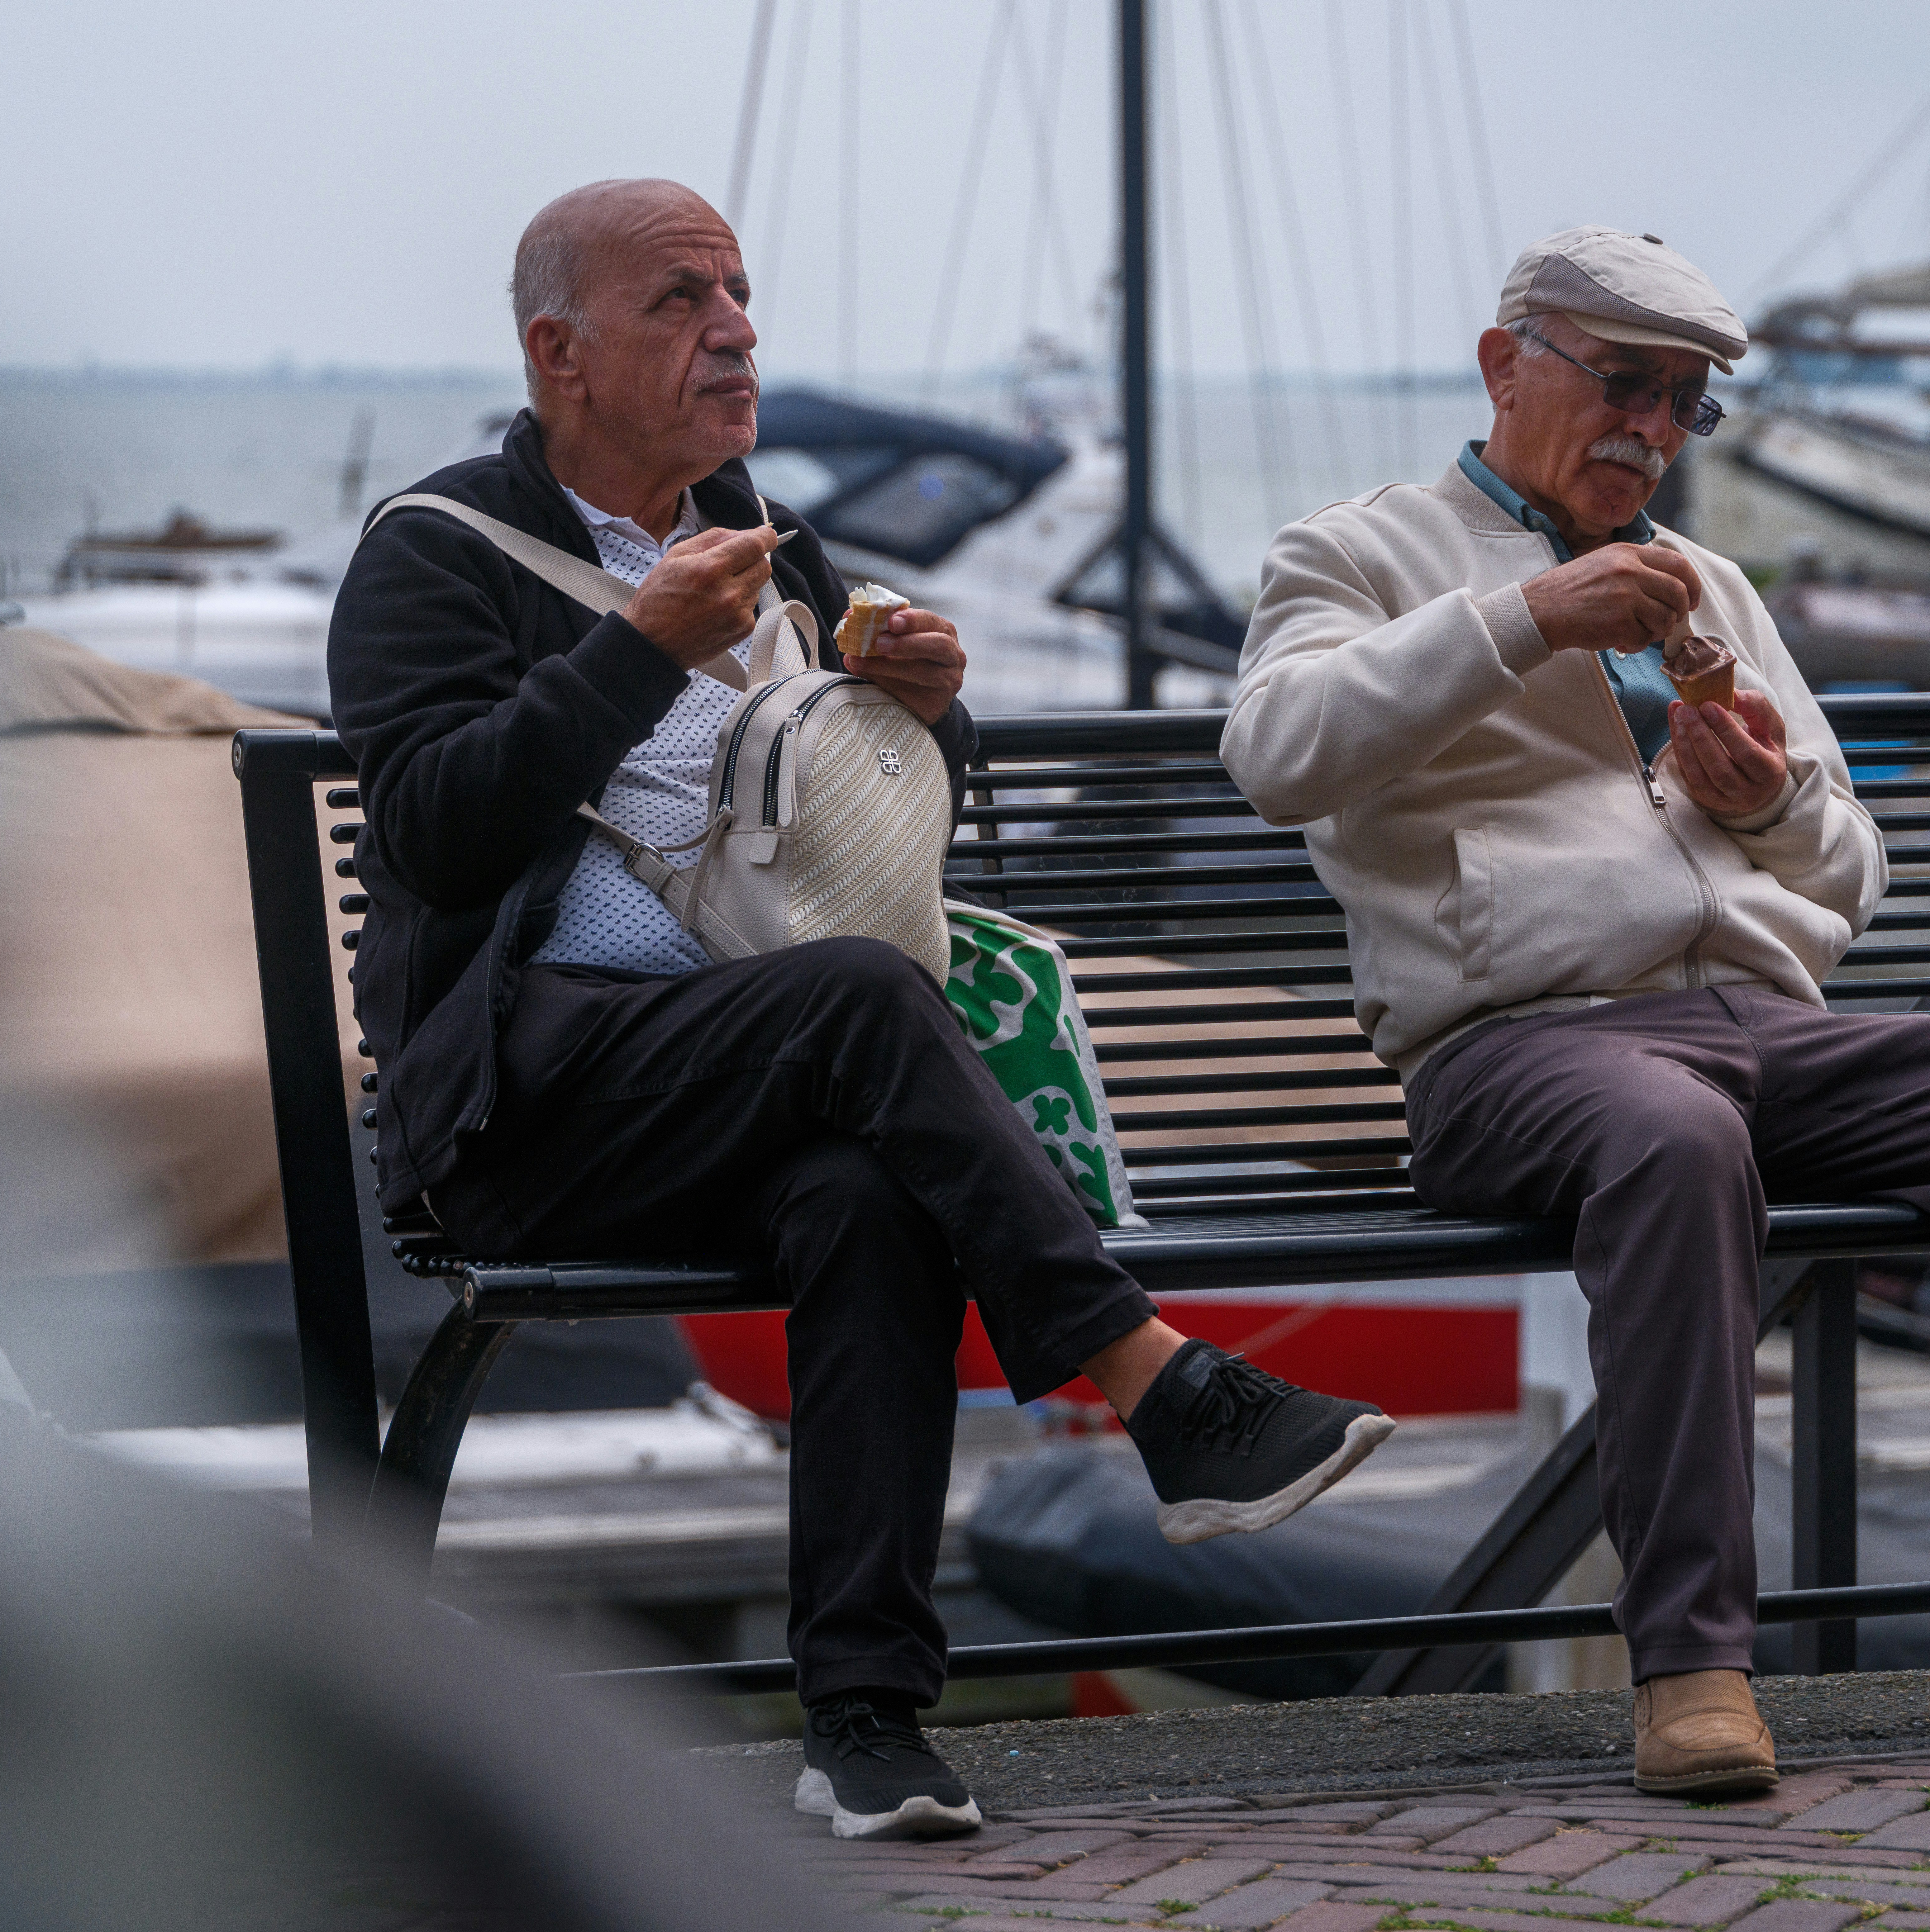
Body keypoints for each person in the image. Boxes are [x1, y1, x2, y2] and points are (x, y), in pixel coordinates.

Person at [328, 178, 1392, 1841]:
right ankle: (1155, 1379)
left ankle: (866, 1719)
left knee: (865, 1185)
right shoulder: (433, 551)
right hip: (530, 1107)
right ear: (560, 351)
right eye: (680, 300)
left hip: (752, 1078)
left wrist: (930, 709)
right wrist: (639, 647)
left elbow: (860, 825)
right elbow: (437, 831)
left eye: (738, 294)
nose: (734, 329)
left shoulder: (772, 539)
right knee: (857, 1006)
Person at [1219, 227, 1930, 1795]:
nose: (1652, 429)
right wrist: (1526, 618)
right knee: (1673, 1139)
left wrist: (1771, 798)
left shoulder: (1711, 584)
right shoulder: (1359, 553)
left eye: (1685, 402)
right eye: (1624, 384)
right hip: (1510, 1049)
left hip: (1758, 1025)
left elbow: (1850, 869)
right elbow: (1276, 753)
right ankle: (1694, 1663)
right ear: (1506, 364)